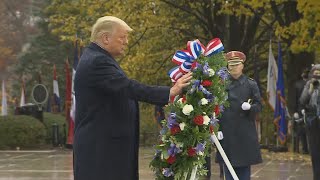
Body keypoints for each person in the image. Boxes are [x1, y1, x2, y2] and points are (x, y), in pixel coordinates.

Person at [73, 16, 192, 180]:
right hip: (102, 154)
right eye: (122, 37)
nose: (126, 42)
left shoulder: (100, 58)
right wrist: (170, 92)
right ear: (106, 38)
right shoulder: (97, 61)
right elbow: (128, 87)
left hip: (107, 151)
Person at [216, 51, 262, 180]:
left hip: (244, 132)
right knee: (228, 169)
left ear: (242, 66)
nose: (234, 67)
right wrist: (217, 128)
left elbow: (259, 106)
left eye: (236, 64)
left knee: (244, 172)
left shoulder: (251, 84)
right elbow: (216, 108)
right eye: (231, 65)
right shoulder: (221, 85)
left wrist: (250, 108)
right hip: (227, 132)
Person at [299, 64, 320, 180]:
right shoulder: (309, 84)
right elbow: (302, 101)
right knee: (315, 152)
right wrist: (310, 89)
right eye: (315, 73)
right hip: (313, 122)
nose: (317, 76)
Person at [292, 69, 309, 154]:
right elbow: (295, 99)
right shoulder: (298, 84)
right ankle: (303, 148)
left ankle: (302, 148)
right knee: (302, 130)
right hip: (303, 110)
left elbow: (295, 99)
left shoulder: (299, 84)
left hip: (304, 110)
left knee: (302, 130)